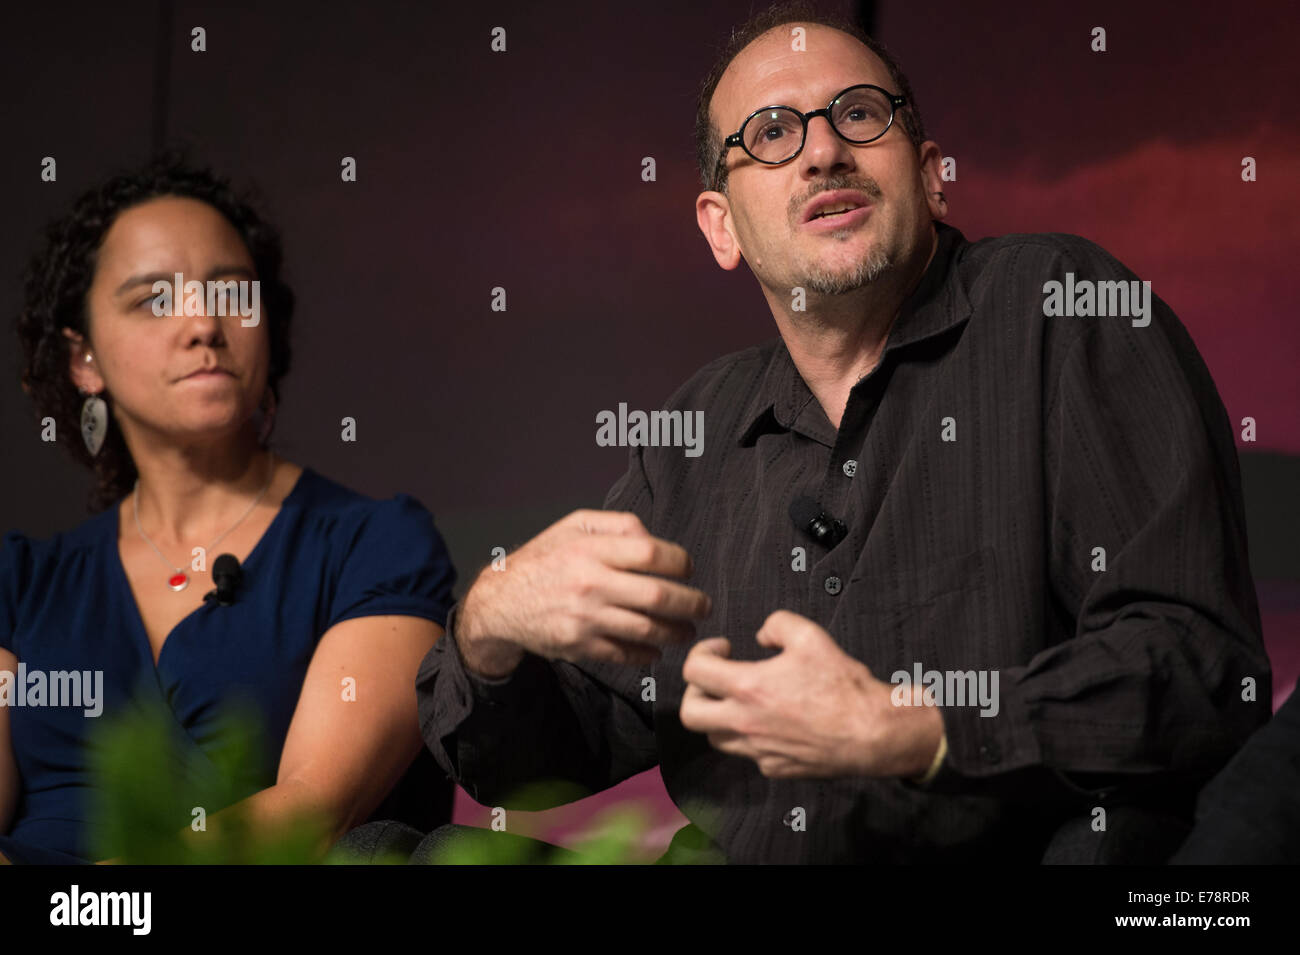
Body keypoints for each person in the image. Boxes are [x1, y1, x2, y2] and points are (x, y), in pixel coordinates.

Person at [413, 2, 1270, 863]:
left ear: (932, 175)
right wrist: (492, 623)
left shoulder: (1057, 306)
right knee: (385, 849)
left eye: (859, 114)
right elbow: (541, 758)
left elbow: (1201, 670)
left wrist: (911, 728)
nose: (824, 151)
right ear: (720, 226)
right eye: (773, 132)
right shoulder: (691, 435)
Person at [0, 155, 456, 864]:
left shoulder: (376, 542)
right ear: (83, 357)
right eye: (154, 298)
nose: (205, 324)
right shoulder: (19, 582)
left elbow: (315, 809)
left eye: (233, 294)